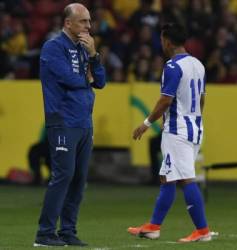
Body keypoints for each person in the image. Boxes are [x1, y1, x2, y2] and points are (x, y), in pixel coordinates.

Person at [127, 23, 212, 242]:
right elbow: (201, 98)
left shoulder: (173, 66)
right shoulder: (198, 64)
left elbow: (166, 100)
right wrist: (194, 120)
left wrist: (146, 123)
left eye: (162, 39)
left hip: (177, 130)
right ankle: (153, 226)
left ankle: (202, 231)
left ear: (167, 41)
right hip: (194, 127)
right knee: (168, 177)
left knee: (185, 179)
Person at [34, 3, 106, 247]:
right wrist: (87, 78)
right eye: (83, 21)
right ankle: (44, 233)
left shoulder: (86, 48)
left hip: (84, 121)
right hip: (63, 120)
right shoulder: (53, 47)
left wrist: (94, 56)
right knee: (63, 175)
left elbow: (101, 82)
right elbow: (70, 79)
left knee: (79, 178)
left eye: (89, 21)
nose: (88, 26)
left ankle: (67, 231)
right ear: (68, 23)